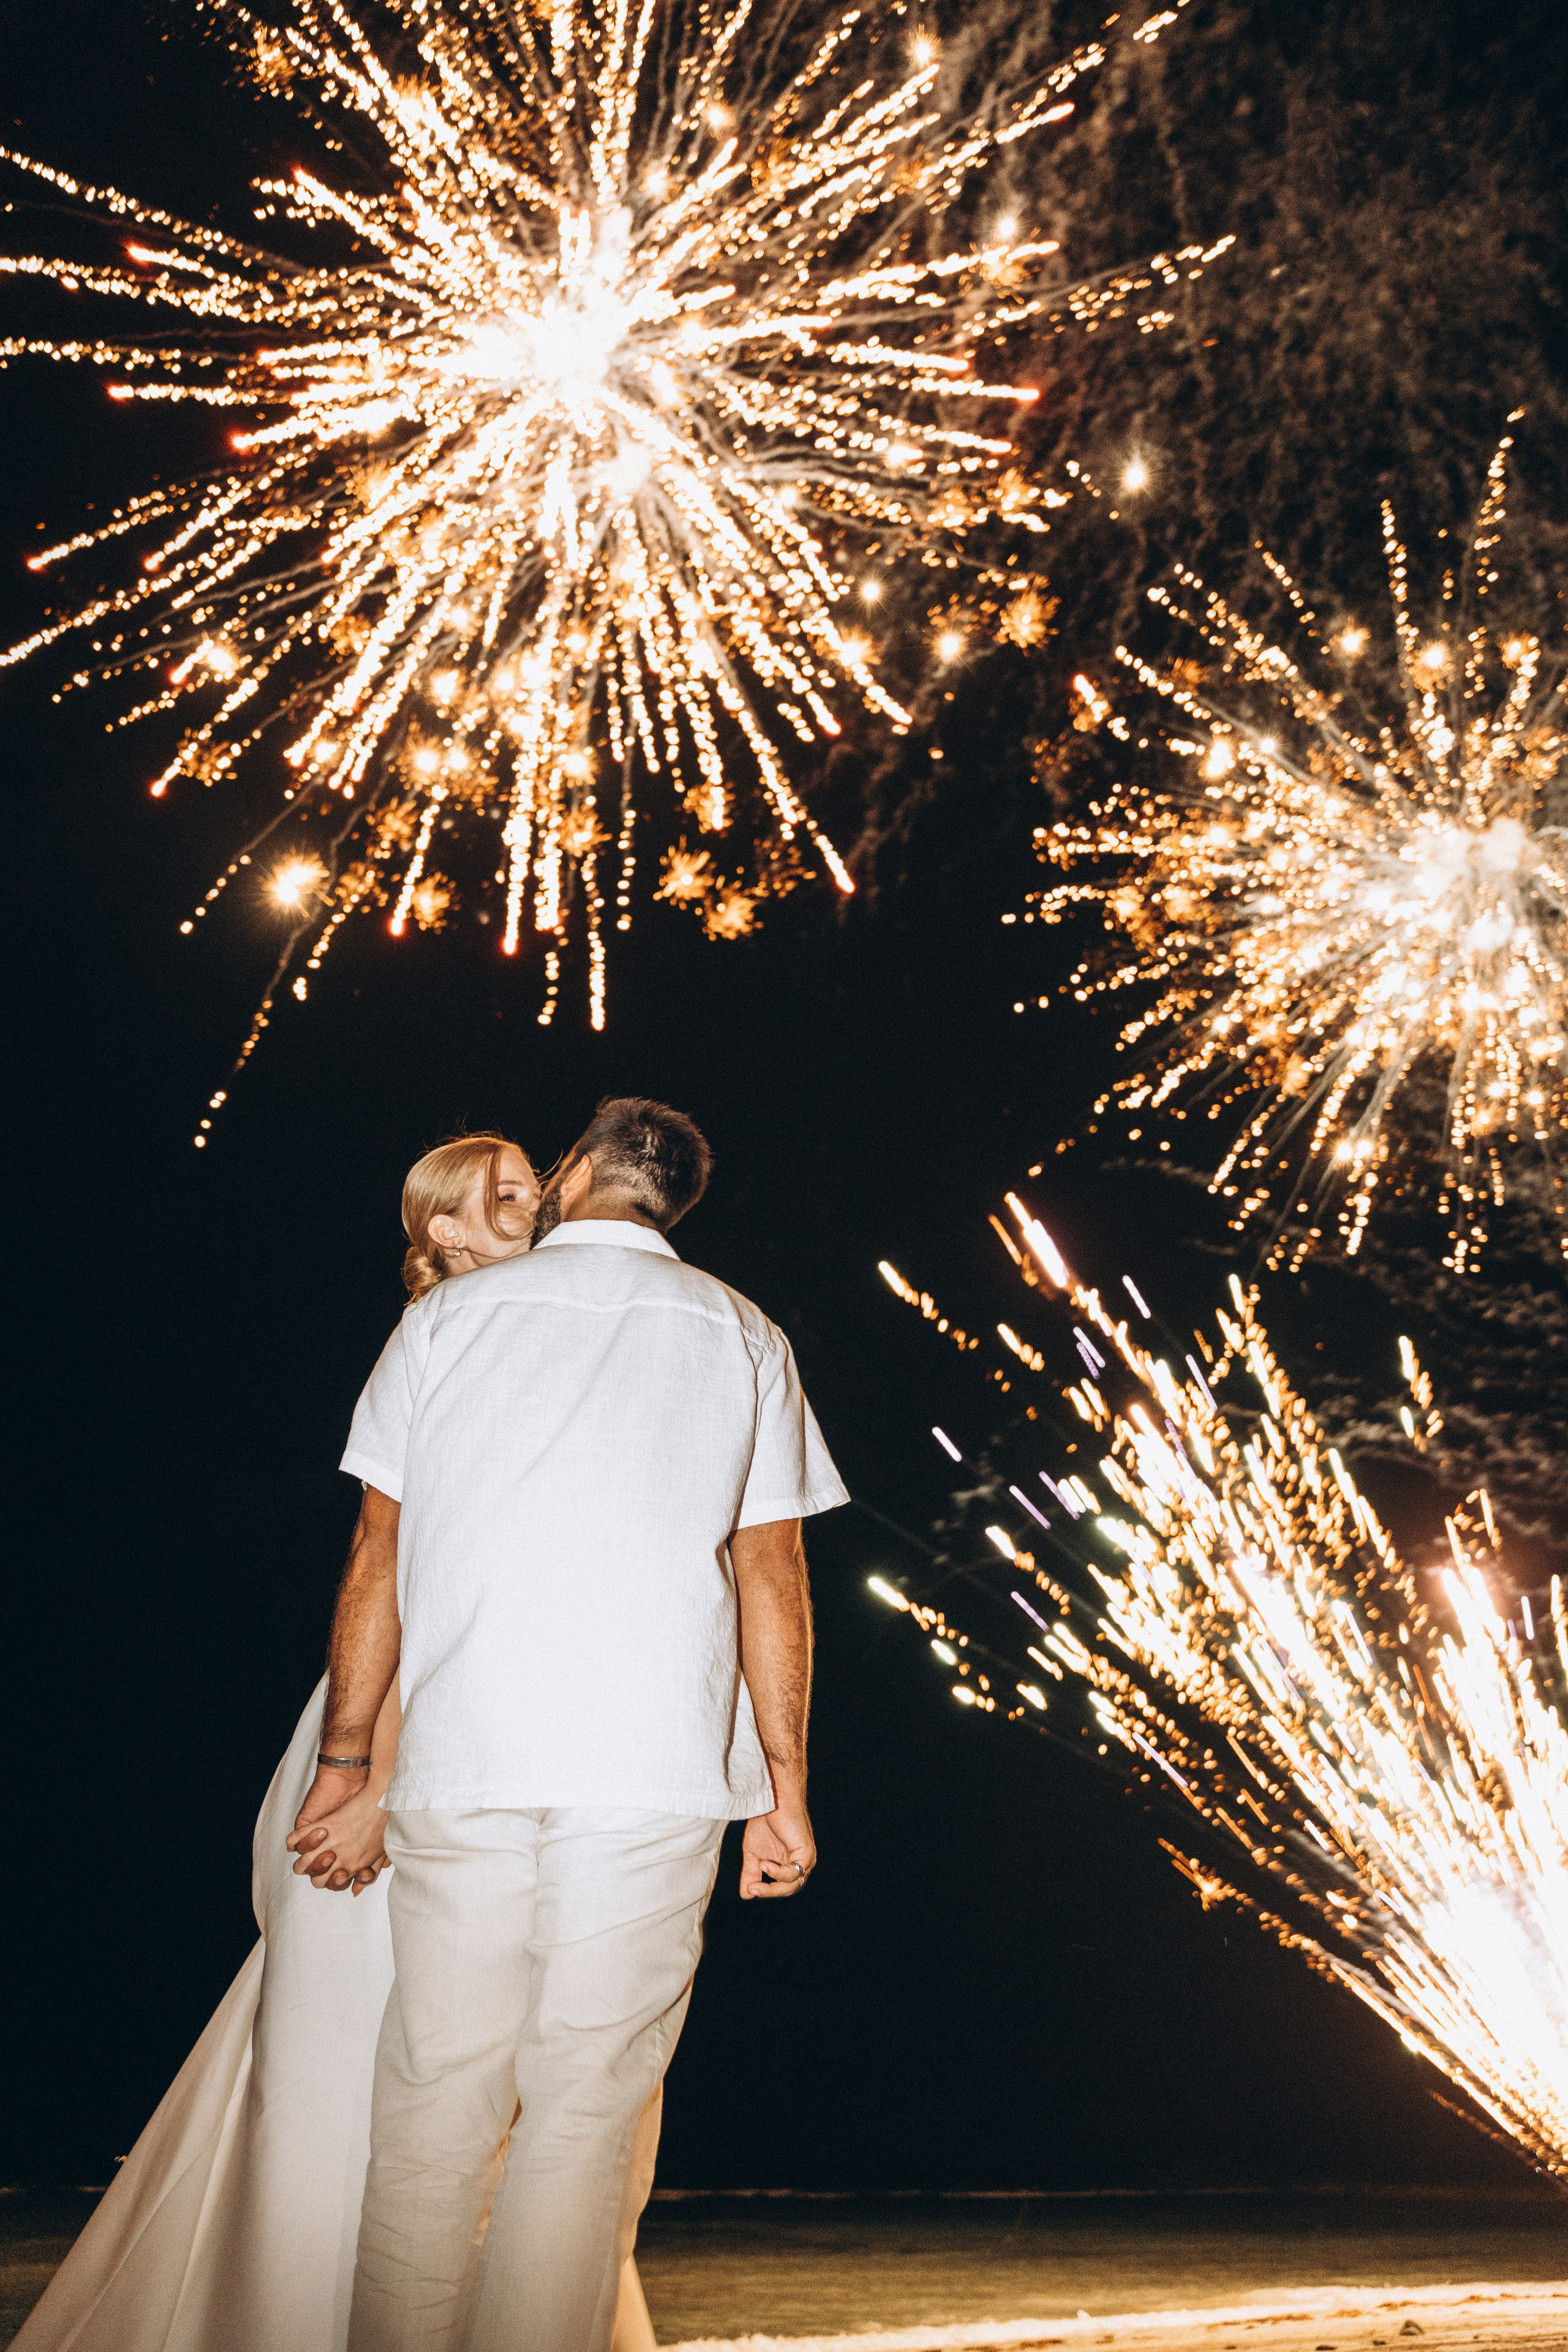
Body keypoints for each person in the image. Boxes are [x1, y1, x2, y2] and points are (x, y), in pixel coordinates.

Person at [10, 1136, 658, 2352]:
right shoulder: (453, 1337)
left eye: (530, 1184)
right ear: (444, 1233)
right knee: (366, 2051)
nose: (534, 1201)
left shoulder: (547, 1332)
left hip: (498, 1735)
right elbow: (406, 1576)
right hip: (416, 1735)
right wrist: (372, 1780)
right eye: (502, 1194)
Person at [303, 1095, 846, 2352]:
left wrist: (346, 1757)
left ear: (578, 1174)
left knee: (435, 2098)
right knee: (585, 2110)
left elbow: (377, 1555)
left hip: (465, 1757)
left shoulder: (446, 1322)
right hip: (652, 1769)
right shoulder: (742, 1332)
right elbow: (770, 1572)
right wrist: (785, 1786)